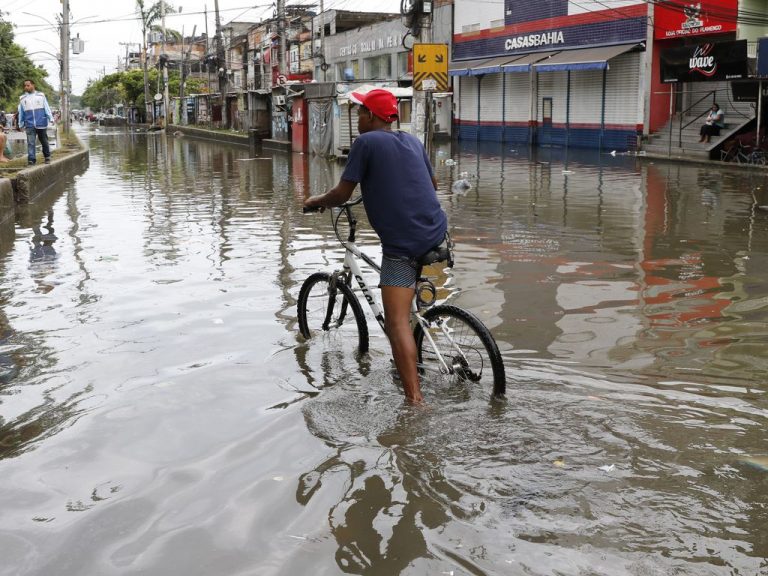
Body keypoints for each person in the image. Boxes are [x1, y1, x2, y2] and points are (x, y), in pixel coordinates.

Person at [303, 89, 448, 403]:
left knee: (396, 323)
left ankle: (415, 402)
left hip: (403, 244)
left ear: (371, 115)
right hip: (436, 232)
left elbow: (341, 195)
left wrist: (316, 201)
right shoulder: (413, 141)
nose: (358, 118)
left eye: (360, 112)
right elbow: (432, 184)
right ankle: (412, 355)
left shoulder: (365, 143)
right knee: (406, 306)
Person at [17, 79, 53, 165]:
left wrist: (51, 118)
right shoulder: (22, 98)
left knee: (44, 141)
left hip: (41, 122)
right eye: (25, 86)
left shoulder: (41, 96)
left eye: (28, 85)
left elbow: (46, 108)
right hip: (29, 124)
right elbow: (21, 112)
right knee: (31, 143)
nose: (26, 87)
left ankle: (47, 157)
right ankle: (31, 160)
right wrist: (21, 124)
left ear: (33, 85)